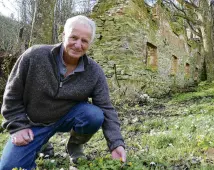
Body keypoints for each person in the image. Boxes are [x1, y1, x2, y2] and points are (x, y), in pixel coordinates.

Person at [0, 15, 126, 169]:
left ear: (90, 44)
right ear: (63, 35)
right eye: (74, 37)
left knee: (94, 115)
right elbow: (12, 95)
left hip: (67, 117)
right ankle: (42, 143)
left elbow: (106, 108)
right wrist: (18, 126)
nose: (78, 45)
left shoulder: (94, 72)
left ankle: (74, 145)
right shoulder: (34, 56)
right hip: (34, 123)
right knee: (9, 167)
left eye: (84, 41)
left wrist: (116, 144)